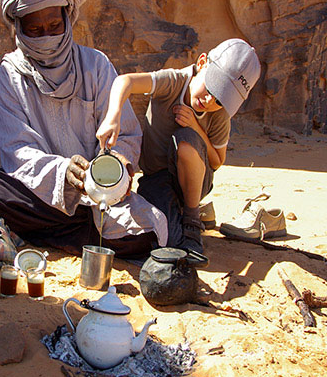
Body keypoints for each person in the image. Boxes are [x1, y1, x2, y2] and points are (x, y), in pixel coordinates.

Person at [0, 0, 167, 256]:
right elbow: (18, 151)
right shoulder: (10, 74)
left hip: (97, 200)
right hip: (39, 197)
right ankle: (59, 232)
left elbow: (125, 132)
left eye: (53, 27)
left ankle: (32, 232)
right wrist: (63, 173)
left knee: (148, 232)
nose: (46, 37)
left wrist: (118, 165)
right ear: (19, 28)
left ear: (67, 19)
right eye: (34, 30)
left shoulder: (96, 65)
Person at [96, 38, 261, 257]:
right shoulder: (174, 81)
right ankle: (183, 216)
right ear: (202, 63)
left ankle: (192, 220)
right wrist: (113, 115)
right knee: (170, 241)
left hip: (196, 181)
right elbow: (125, 82)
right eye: (212, 86)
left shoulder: (219, 114)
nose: (210, 100)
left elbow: (217, 161)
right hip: (156, 179)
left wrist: (196, 128)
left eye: (221, 99)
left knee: (186, 138)